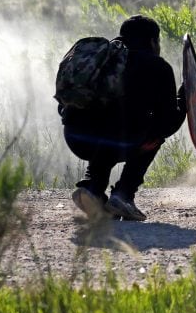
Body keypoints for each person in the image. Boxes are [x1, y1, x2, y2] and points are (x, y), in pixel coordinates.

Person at [59, 15, 187, 221]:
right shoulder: (158, 66)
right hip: (121, 141)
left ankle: (93, 189)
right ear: (153, 41)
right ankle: (124, 195)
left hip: (76, 137)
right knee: (150, 135)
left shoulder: (99, 60)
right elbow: (168, 123)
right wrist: (185, 98)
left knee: (108, 125)